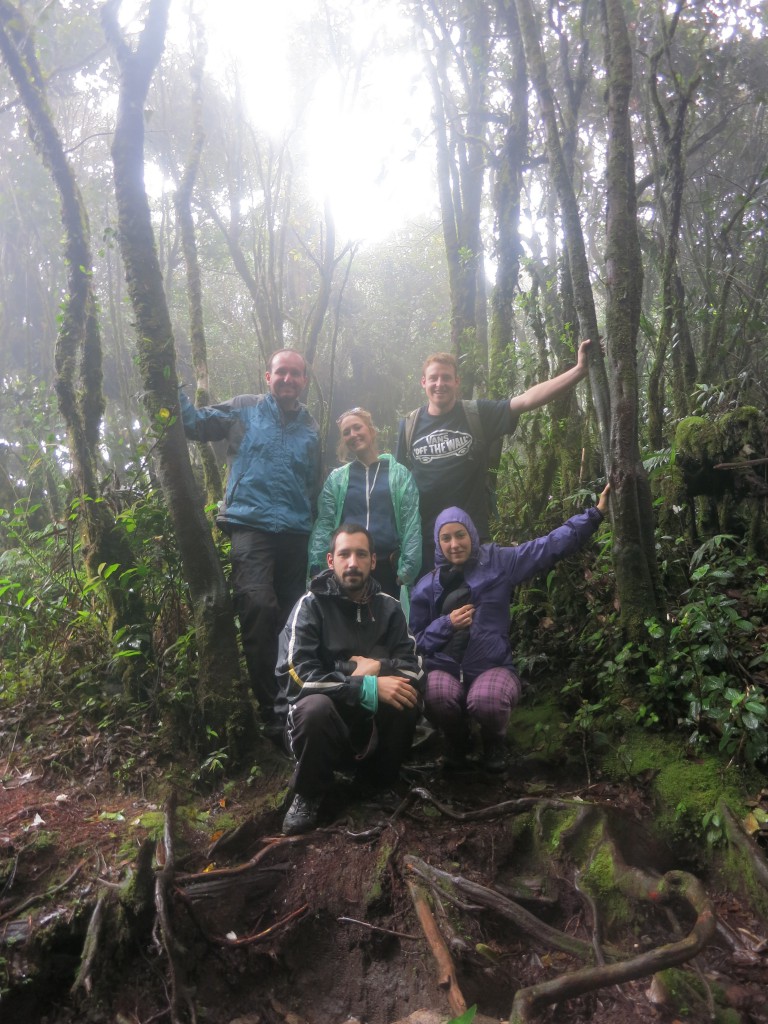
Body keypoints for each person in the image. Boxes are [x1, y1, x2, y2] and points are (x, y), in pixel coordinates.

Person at [409, 484, 610, 773]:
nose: (454, 544)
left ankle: (494, 741)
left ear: (472, 535)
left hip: (492, 667)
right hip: (446, 669)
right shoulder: (426, 587)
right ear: (438, 543)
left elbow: (548, 546)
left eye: (460, 535)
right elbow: (414, 643)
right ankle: (457, 740)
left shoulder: (499, 563)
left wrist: (595, 515)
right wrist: (446, 624)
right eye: (446, 538)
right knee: (435, 694)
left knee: (487, 700)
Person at [179, 349, 320, 734]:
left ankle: (296, 702)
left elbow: (314, 483)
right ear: (267, 376)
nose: (288, 379)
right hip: (251, 526)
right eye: (281, 373)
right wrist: (169, 387)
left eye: (296, 374)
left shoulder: (310, 426)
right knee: (258, 607)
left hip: (295, 532)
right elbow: (194, 424)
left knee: (294, 618)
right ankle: (272, 712)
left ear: (304, 380)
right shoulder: (244, 409)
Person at [276, 523, 424, 835]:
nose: (352, 563)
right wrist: (361, 682)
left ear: (373, 560)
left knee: (405, 694)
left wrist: (375, 667)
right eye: (344, 554)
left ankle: (378, 784)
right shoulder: (310, 606)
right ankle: (309, 793)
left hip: (369, 728)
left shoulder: (390, 608)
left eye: (360, 554)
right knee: (313, 708)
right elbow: (298, 677)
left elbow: (412, 667)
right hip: (323, 727)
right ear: (331, 560)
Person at [396, 340, 595, 571]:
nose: (440, 384)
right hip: (425, 540)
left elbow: (526, 400)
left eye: (446, 377)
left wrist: (580, 369)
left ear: (457, 382)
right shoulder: (409, 426)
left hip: (470, 536)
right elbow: (399, 487)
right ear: (424, 382)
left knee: (473, 603)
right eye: (433, 378)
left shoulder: (476, 414)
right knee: (431, 602)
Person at [308, 408, 421, 599]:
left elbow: (411, 522)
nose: (353, 434)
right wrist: (317, 567)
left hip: (388, 568)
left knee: (384, 625)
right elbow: (325, 524)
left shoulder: (399, 475)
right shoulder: (337, 480)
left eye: (357, 427)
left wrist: (407, 570)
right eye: (346, 432)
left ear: (371, 430)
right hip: (347, 569)